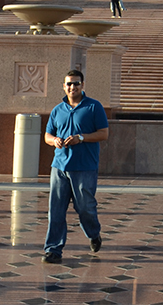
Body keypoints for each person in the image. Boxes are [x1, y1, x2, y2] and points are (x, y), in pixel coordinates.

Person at [43, 69, 109, 262]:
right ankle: (53, 250)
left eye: (77, 83)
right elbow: (47, 135)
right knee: (56, 209)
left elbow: (104, 133)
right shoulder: (57, 110)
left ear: (83, 85)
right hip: (59, 167)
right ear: (64, 86)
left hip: (84, 167)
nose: (73, 87)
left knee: (85, 207)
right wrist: (54, 140)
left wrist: (81, 138)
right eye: (69, 84)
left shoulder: (93, 107)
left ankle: (93, 233)